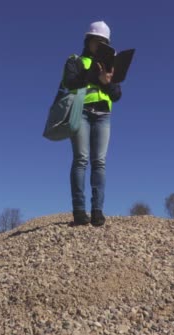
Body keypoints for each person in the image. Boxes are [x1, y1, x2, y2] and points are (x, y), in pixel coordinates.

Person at [60, 21, 122, 226]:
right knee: (81, 159)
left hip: (103, 114)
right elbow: (69, 82)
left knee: (100, 162)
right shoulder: (75, 61)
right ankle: (79, 211)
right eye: (98, 41)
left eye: (105, 42)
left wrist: (107, 82)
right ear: (89, 41)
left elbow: (117, 94)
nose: (101, 45)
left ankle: (97, 211)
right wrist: (92, 74)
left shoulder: (111, 68)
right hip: (81, 113)